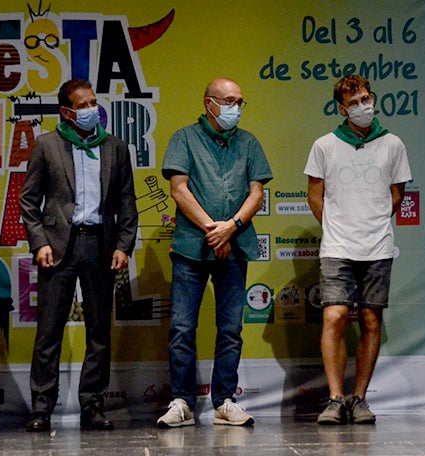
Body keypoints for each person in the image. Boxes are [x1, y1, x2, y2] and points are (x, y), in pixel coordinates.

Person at [19, 78, 138, 432]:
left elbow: (127, 201)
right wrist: (39, 242)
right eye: (82, 105)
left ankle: (93, 406)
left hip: (100, 245)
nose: (91, 110)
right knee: (49, 332)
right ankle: (42, 408)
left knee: (99, 331)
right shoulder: (47, 145)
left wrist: (123, 245)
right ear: (66, 112)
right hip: (58, 248)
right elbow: (28, 200)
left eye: (93, 103)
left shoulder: (115, 147)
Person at [157, 77, 271, 428]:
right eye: (229, 101)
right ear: (209, 103)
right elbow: (179, 190)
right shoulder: (184, 139)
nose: (236, 108)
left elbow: (256, 193)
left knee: (230, 329)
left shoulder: (249, 142)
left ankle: (224, 401)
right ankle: (181, 402)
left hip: (234, 246)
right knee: (181, 327)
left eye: (239, 101)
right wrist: (214, 229)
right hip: (192, 248)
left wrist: (231, 227)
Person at [305, 74, 412, 425]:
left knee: (370, 319)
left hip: (378, 245)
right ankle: (336, 399)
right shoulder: (324, 145)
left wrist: (373, 222)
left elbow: (397, 194)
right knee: (334, 317)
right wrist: (338, 226)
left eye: (366, 99)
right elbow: (315, 196)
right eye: (354, 103)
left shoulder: (393, 144)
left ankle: (359, 399)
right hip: (337, 246)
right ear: (342, 109)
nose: (363, 106)